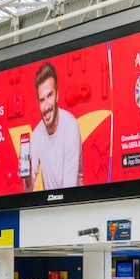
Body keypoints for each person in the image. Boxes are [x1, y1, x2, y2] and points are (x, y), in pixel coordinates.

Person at [26, 63, 82, 191]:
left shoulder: (70, 126)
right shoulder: (37, 135)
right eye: (42, 100)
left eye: (49, 96)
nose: (46, 106)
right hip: (49, 203)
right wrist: (28, 176)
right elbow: (28, 189)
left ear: (57, 95)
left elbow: (69, 189)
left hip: (76, 202)